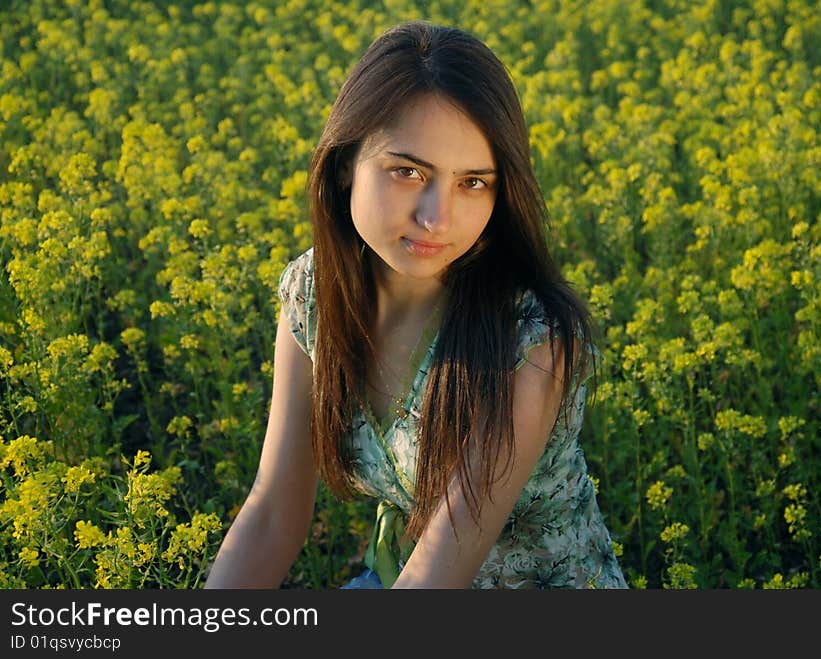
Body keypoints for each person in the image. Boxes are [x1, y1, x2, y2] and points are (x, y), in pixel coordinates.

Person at [205, 20, 627, 589]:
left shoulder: (529, 341)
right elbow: (273, 516)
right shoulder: (312, 292)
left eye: (473, 183)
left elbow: (437, 580)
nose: (437, 218)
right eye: (408, 172)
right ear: (345, 164)